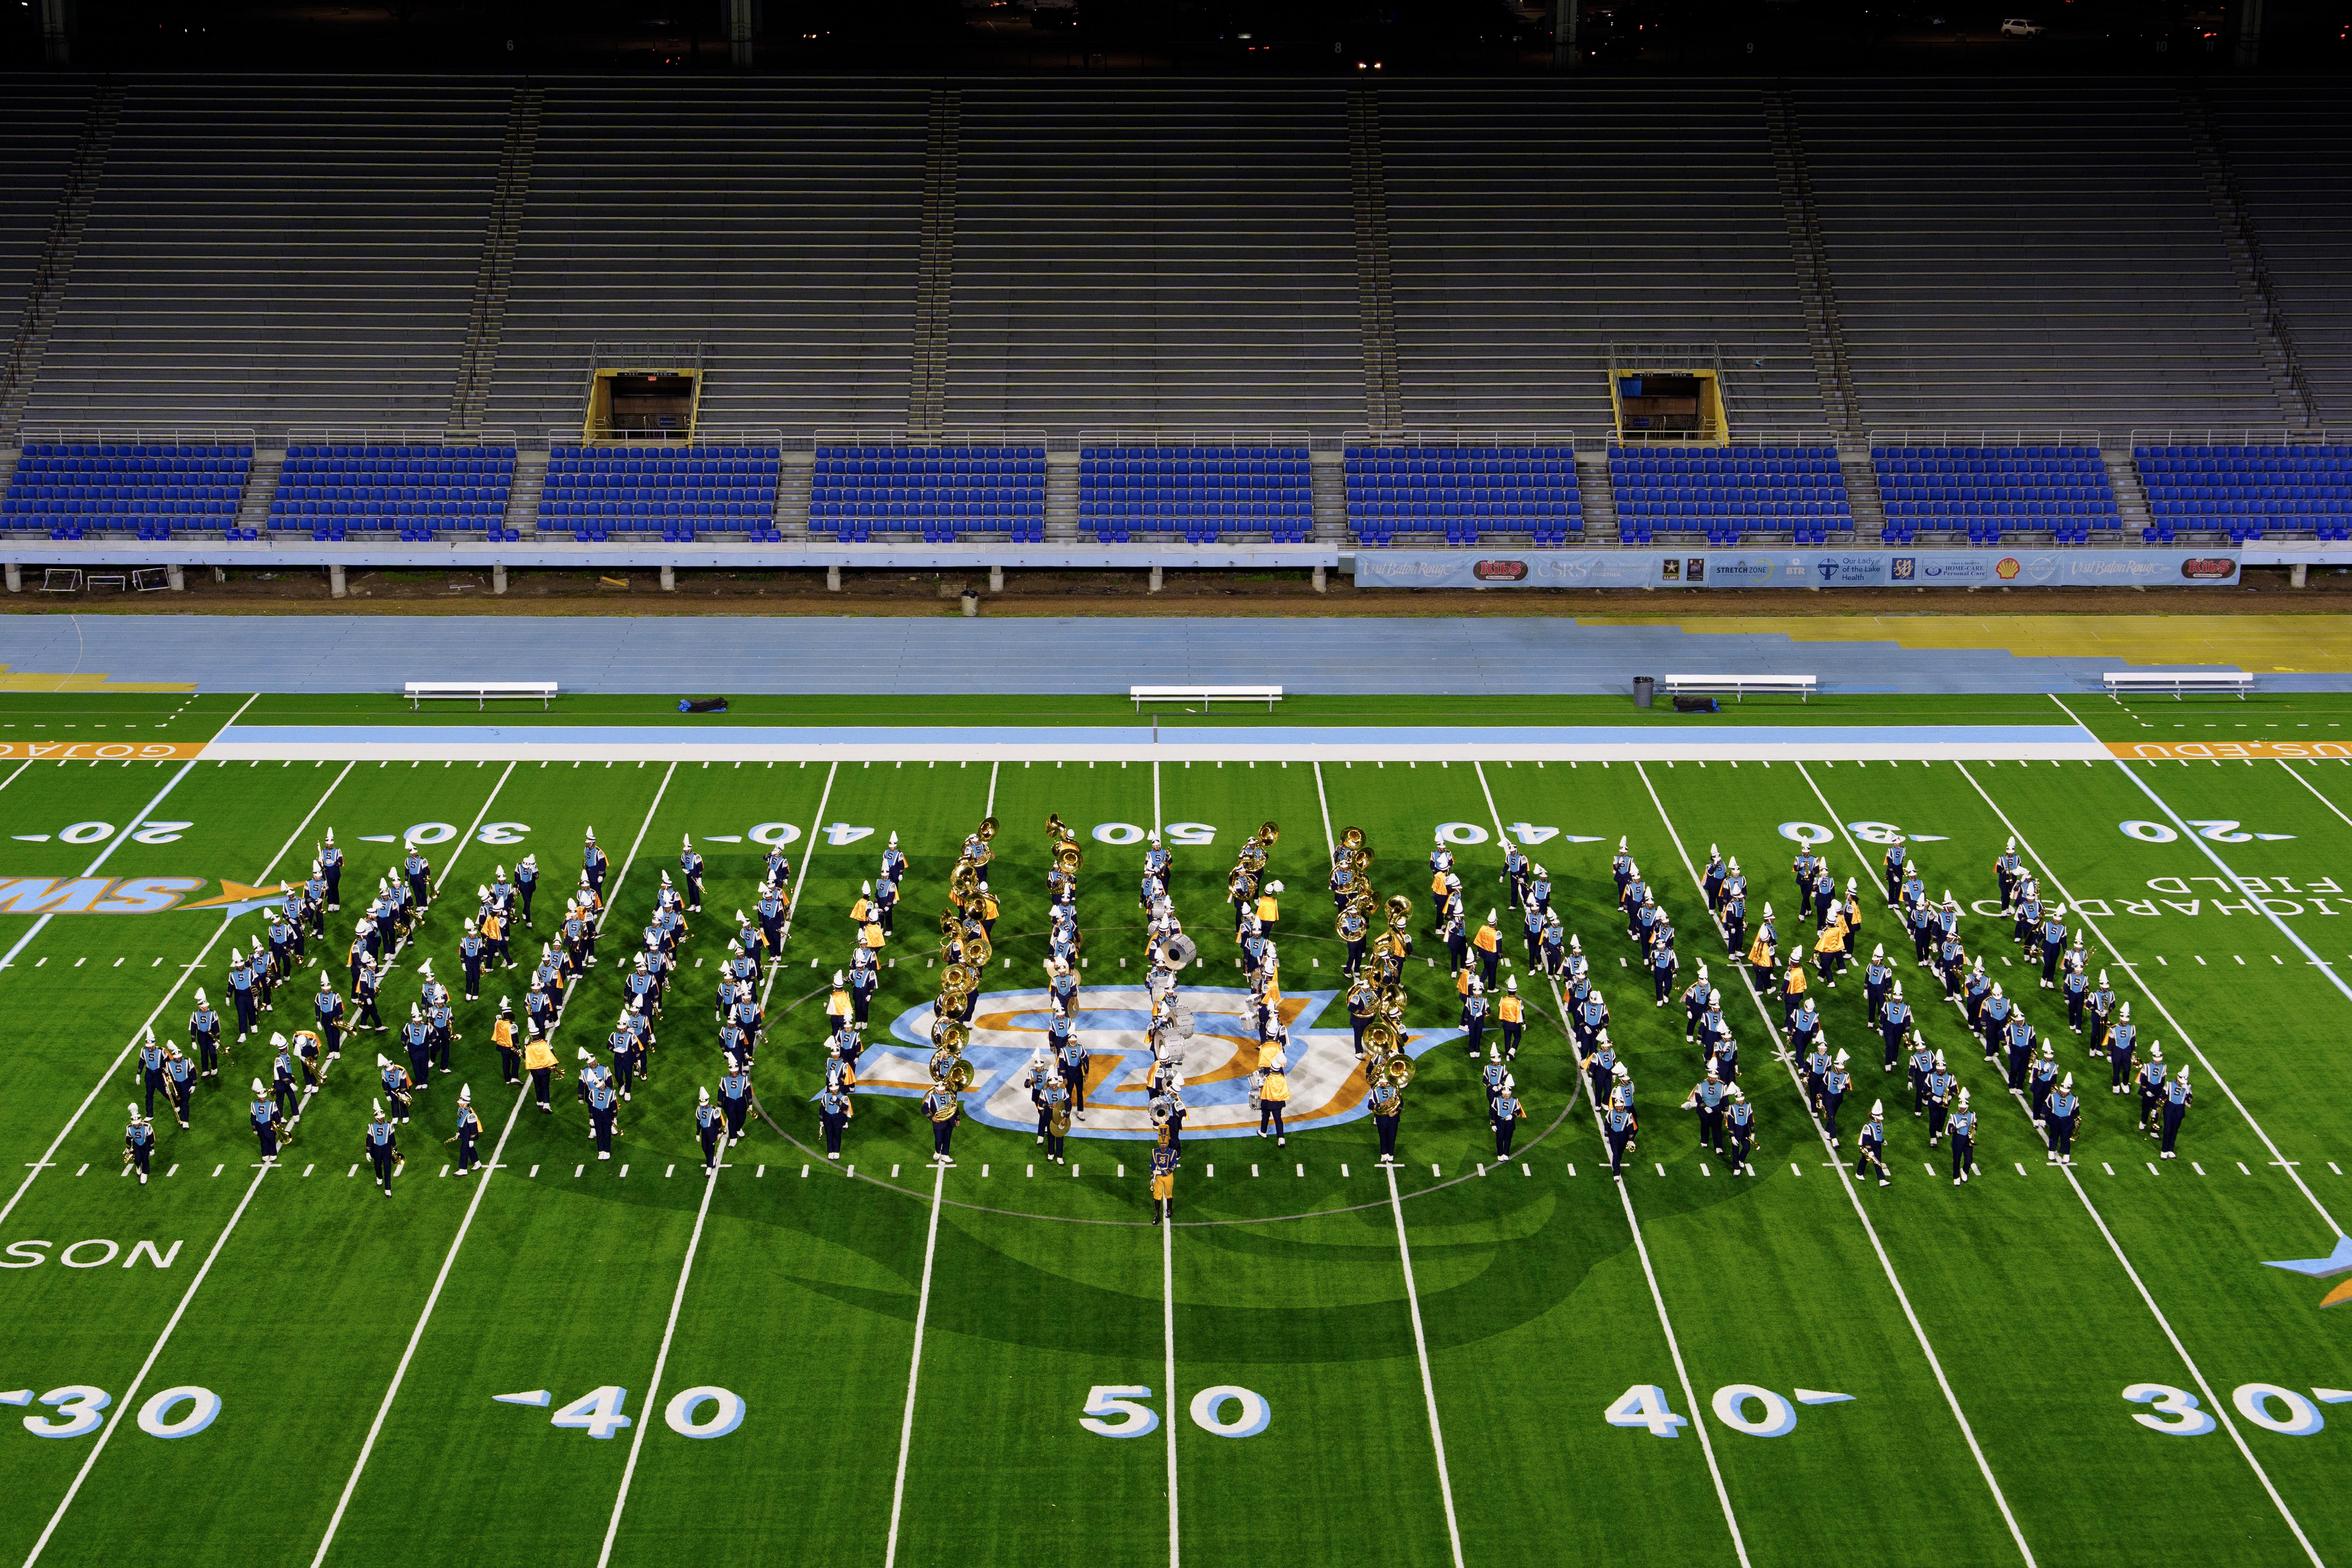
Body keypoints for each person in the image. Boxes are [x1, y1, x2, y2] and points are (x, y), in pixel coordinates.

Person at [363, 1100, 401, 1195]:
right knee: (377, 1165)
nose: (382, 1119)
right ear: (376, 1118)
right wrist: (368, 1151)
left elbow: (392, 1137)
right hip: (377, 1149)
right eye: (380, 1118)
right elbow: (369, 1139)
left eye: (383, 1117)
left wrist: (395, 1148)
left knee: (388, 1168)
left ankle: (388, 1188)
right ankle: (379, 1177)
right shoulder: (371, 1126)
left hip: (387, 1148)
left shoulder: (389, 1125)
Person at [924, 1075, 960, 1167]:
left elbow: (955, 1107)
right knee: (939, 1140)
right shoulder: (931, 1097)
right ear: (936, 1090)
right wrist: (932, 1117)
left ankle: (945, 1155)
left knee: (947, 1139)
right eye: (940, 1090)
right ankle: (937, 1152)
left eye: (943, 1089)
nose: (943, 1091)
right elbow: (924, 1108)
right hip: (938, 1122)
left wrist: (958, 1118)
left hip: (950, 1121)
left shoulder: (950, 1095)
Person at [1369, 1071, 1403, 1166]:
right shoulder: (1375, 1090)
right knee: (1383, 1137)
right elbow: (1370, 1106)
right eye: (1381, 1082)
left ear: (1388, 1082)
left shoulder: (1395, 1089)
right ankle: (1384, 1154)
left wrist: (1397, 1112)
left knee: (1392, 1137)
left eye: (1384, 1082)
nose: (1382, 1084)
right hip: (1381, 1118)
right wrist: (1382, 1104)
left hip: (1393, 1118)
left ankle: (1391, 1155)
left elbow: (1401, 1103)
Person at [2159, 1066, 2193, 1158]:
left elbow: (2190, 1101)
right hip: (2169, 1110)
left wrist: (2188, 1092)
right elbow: (2162, 1096)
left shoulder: (2188, 1087)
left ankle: (2171, 1149)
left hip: (2179, 1112)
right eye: (2181, 1082)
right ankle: (2164, 1150)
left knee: (2174, 1131)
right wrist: (2155, 1109)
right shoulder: (2170, 1084)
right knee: (2167, 1130)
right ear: (2178, 1078)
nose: (2182, 1084)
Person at [2046, 1073, 2080, 1165]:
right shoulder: (2053, 1096)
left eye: (2065, 1092)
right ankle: (2051, 1151)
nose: (2063, 1093)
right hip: (2055, 1119)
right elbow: (2048, 1106)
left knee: (2065, 1138)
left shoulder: (2074, 1099)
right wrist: (2043, 1118)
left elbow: (2076, 1111)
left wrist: (2076, 1119)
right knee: (2054, 1136)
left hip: (2067, 1121)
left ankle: (2066, 1154)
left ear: (2069, 1091)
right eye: (2062, 1091)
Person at [1856, 1099, 1891, 1186]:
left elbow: (1878, 1135)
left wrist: (1883, 1141)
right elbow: (1866, 1140)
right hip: (1869, 1146)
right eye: (1879, 1119)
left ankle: (1882, 1180)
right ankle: (1859, 1173)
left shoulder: (1880, 1124)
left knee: (1878, 1162)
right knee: (1865, 1160)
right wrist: (1870, 1150)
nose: (1881, 1120)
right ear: (1874, 1118)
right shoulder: (1868, 1126)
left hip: (1877, 1146)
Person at [1258, 1051, 1289, 1146]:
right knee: (1278, 1119)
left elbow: (1261, 1086)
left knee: (1265, 1116)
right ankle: (1281, 1139)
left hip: (1268, 1101)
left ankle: (1263, 1132)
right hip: (1278, 1102)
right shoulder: (1283, 1077)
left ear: (1271, 1068)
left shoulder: (1267, 1078)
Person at [1723, 1086, 1756, 1176]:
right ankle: (1736, 1168)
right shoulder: (1732, 1107)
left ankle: (1741, 1160)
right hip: (1736, 1130)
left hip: (1745, 1130)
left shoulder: (1748, 1106)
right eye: (1739, 1100)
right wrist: (1732, 1136)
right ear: (1736, 1100)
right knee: (1735, 1150)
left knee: (1747, 1148)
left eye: (1742, 1100)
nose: (1741, 1102)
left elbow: (1750, 1120)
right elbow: (1730, 1123)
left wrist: (1753, 1133)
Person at [1492, 1075, 1526, 1159]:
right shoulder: (1497, 1100)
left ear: (1510, 1094)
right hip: (1500, 1122)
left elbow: (1518, 1111)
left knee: (1508, 1138)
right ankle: (1500, 1154)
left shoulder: (1515, 1100)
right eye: (1504, 1094)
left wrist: (1512, 1116)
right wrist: (1493, 1124)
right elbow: (1493, 1112)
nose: (1506, 1096)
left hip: (1510, 1123)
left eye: (1508, 1094)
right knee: (1500, 1138)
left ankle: (1506, 1154)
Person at [1150, 1128, 1179, 1225]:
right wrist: (1152, 1177)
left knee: (1169, 1193)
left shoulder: (1173, 1153)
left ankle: (1169, 1209)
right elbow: (1153, 1165)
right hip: (1158, 1176)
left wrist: (1162, 1173)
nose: (1163, 1146)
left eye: (1165, 1144)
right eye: (1162, 1144)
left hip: (1168, 1175)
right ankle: (1157, 1215)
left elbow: (1173, 1166)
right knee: (1157, 1195)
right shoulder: (1155, 1152)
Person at [1949, 1088, 1977, 1185]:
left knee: (1969, 1160)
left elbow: (1975, 1125)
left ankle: (1965, 1171)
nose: (1962, 1109)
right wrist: (1957, 1127)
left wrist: (1973, 1132)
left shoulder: (1972, 1115)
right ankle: (1956, 1177)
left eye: (1964, 1107)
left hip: (1968, 1139)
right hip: (1958, 1139)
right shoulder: (1954, 1116)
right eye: (1961, 1107)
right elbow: (1949, 1131)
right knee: (1957, 1160)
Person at [524, 1032, 557, 1112]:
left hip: (535, 1070)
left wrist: (525, 1045)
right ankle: (547, 1105)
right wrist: (555, 1065)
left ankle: (540, 1102)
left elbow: (524, 1056)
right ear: (539, 1034)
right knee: (545, 1086)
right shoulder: (546, 1043)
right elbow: (553, 1053)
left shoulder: (529, 1046)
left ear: (531, 1036)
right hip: (546, 1068)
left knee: (537, 1085)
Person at [452, 1085, 482, 1176]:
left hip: (469, 1135)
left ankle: (463, 1169)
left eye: (461, 1103)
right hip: (464, 1133)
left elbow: (474, 1129)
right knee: (470, 1149)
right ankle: (477, 1163)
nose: (459, 1104)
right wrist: (459, 1133)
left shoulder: (471, 1115)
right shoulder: (461, 1110)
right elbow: (461, 1122)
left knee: (464, 1151)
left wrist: (472, 1140)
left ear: (466, 1103)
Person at [124, 1104, 154, 1185]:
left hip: (145, 1144)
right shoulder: (129, 1128)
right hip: (137, 1144)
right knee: (138, 1160)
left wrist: (152, 1148)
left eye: (137, 1123)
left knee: (145, 1159)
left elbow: (151, 1137)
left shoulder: (147, 1127)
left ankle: (144, 1174)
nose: (136, 1125)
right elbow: (128, 1138)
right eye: (134, 1124)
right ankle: (138, 1166)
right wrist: (128, 1148)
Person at [697, 1087, 726, 1171]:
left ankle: (709, 1167)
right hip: (704, 1131)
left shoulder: (714, 1110)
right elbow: (698, 1121)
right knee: (704, 1148)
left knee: (711, 1148)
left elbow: (718, 1122)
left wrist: (719, 1132)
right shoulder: (699, 1109)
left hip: (712, 1131)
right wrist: (698, 1133)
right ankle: (712, 1159)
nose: (704, 1106)